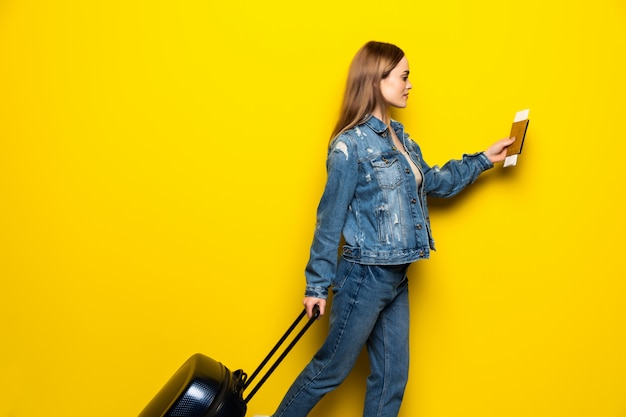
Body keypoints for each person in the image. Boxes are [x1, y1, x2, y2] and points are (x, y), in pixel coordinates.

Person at [255, 41, 515, 417]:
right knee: (331, 369)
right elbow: (329, 219)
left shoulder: (401, 138)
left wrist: (484, 159)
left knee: (392, 378)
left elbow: (435, 182)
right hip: (364, 275)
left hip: (397, 274)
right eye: (404, 76)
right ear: (378, 81)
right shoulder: (349, 146)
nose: (410, 84)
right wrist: (315, 285)